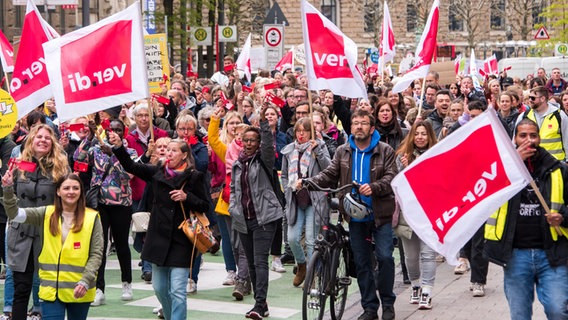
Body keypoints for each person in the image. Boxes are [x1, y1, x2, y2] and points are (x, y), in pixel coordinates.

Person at [300, 109, 398, 320]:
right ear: (350, 127)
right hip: (354, 216)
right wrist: (308, 182)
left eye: (363, 123)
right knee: (361, 262)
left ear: (372, 128)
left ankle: (388, 303)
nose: (359, 127)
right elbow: (330, 174)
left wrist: (375, 187)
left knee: (385, 258)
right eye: (355, 123)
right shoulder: (343, 151)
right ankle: (370, 307)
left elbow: (392, 176)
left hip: (380, 215)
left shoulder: (385, 150)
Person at [109, 135, 210, 320]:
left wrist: (187, 197)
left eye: (174, 151)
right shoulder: (157, 171)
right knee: (160, 288)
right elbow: (131, 166)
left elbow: (205, 206)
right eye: (167, 150)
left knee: (178, 290)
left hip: (182, 240)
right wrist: (118, 147)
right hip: (158, 238)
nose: (168, 153)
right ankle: (171, 316)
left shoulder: (195, 176)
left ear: (184, 155)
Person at [484, 118, 568, 320]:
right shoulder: (500, 170)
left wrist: (563, 217)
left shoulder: (559, 170)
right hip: (515, 255)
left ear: (540, 138)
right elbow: (487, 198)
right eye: (523, 135)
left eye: (533, 135)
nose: (529, 140)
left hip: (552, 254)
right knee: (520, 315)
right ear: (514, 139)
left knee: (558, 310)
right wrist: (512, 164)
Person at [2, 173, 103, 320]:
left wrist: (85, 280)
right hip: (50, 290)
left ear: (81, 191)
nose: (71, 192)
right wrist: (8, 189)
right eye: (66, 188)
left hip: (80, 289)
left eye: (75, 188)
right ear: (58, 191)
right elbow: (15, 214)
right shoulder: (46, 213)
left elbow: (96, 253)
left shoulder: (92, 217)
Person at [7, 124, 70, 320]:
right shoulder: (17, 165)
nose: (42, 140)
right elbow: (10, 199)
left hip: (49, 232)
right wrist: (7, 186)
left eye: (47, 138)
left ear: (53, 143)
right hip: (21, 233)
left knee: (49, 289)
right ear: (31, 140)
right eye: (38, 137)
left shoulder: (61, 167)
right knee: (21, 288)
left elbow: (70, 196)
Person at [228, 109, 284, 320]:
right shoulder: (237, 164)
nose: (249, 143)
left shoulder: (264, 160)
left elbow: (269, 147)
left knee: (260, 261)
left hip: (265, 218)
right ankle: (262, 303)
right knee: (250, 262)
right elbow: (234, 190)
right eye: (246, 140)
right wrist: (234, 208)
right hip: (244, 218)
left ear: (259, 143)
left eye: (253, 140)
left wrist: (263, 124)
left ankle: (259, 305)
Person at [75, 119, 136, 306]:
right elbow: (78, 157)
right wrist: (90, 137)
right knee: (99, 246)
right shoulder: (96, 150)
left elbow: (129, 174)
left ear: (123, 133)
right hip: (100, 202)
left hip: (122, 203)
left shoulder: (130, 152)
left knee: (121, 244)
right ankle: (99, 288)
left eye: (119, 130)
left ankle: (127, 282)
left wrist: (115, 154)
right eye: (112, 130)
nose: (115, 133)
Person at [281, 118, 330, 287]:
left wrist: (319, 152)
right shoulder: (289, 150)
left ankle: (312, 275)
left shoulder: (319, 147)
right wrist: (288, 187)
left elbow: (329, 169)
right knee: (292, 238)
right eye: (298, 131)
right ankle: (301, 264)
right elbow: (284, 175)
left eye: (305, 131)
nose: (301, 134)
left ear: (311, 133)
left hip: (313, 199)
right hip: (295, 198)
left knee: (311, 240)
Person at [394, 121, 438, 310]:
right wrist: (406, 168)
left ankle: (427, 291)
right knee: (411, 256)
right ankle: (416, 285)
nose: (420, 137)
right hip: (408, 215)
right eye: (417, 133)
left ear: (429, 136)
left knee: (428, 254)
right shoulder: (401, 157)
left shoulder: (436, 155)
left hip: (430, 212)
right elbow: (399, 185)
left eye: (424, 134)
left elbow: (435, 182)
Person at [515, 86, 568, 162]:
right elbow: (515, 141)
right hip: (531, 162)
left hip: (555, 163)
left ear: (542, 99)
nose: (530, 100)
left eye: (533, 98)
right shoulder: (524, 116)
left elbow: (567, 139)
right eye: (529, 97)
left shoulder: (560, 115)